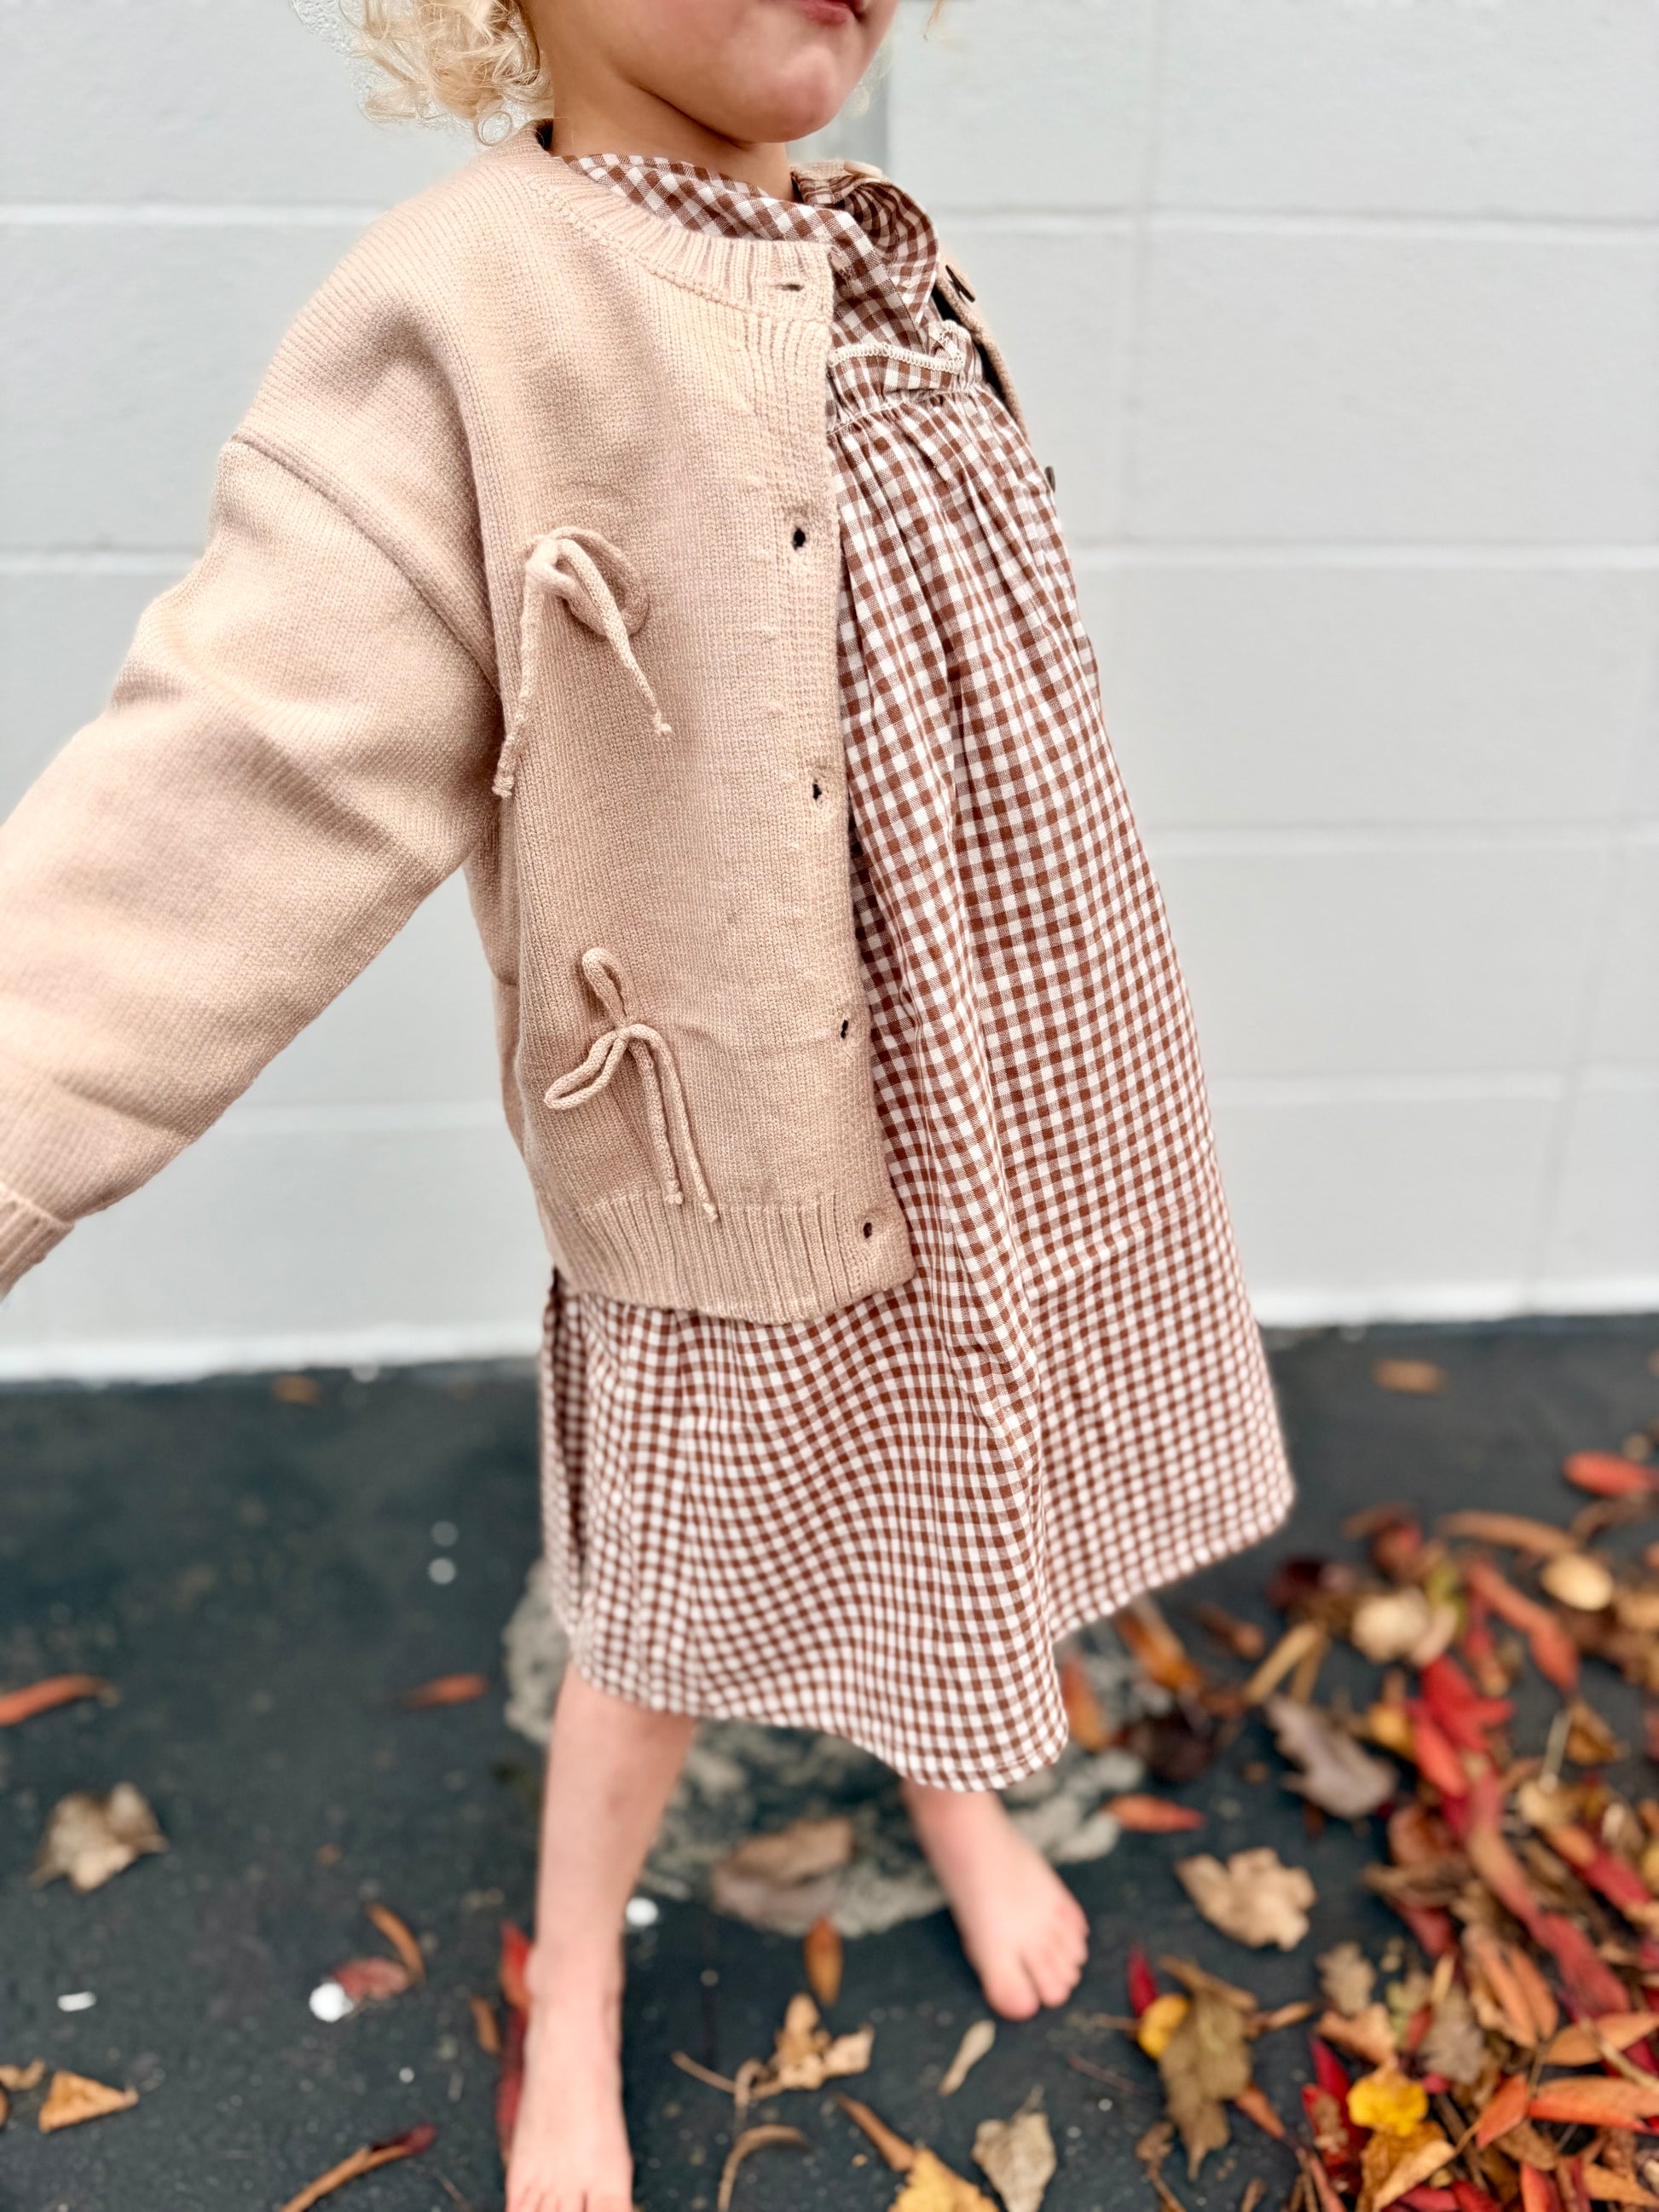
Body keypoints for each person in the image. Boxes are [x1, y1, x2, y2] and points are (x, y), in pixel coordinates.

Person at [0, 1, 1295, 2203]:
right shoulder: (480, 316)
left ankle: (949, 1767)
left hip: (991, 1077)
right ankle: (580, 1971)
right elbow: (226, 792)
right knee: (669, 1591)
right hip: (732, 1147)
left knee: (953, 1473)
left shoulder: (871, 249)